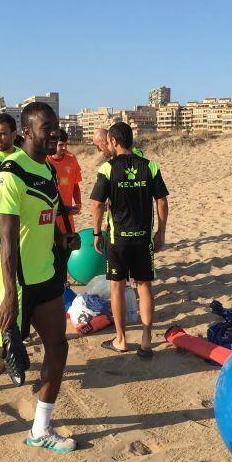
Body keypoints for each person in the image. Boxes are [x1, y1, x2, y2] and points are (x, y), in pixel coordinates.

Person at [0, 102, 80, 452]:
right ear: (27, 131)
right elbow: (7, 239)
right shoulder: (10, 174)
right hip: (14, 284)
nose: (54, 132)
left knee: (58, 347)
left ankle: (40, 428)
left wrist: (62, 239)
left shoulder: (47, 170)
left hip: (46, 277)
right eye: (47, 127)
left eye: (55, 125)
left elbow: (42, 219)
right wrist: (9, 294)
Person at [90, 122, 168, 357]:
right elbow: (162, 201)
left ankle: (121, 339)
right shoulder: (150, 166)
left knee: (118, 288)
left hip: (118, 239)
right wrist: (161, 232)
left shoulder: (107, 169)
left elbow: (97, 204)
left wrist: (96, 232)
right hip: (143, 239)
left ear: (113, 141)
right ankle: (146, 340)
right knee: (144, 287)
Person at [47, 129, 82, 282]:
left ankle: (62, 286)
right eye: (60, 145)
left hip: (67, 217)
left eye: (66, 145)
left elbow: (75, 185)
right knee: (51, 255)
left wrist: (78, 203)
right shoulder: (45, 160)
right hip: (50, 219)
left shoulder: (71, 159)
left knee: (66, 252)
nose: (64, 148)